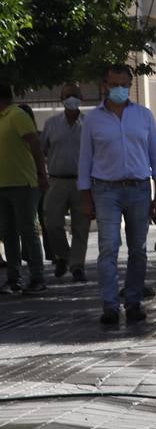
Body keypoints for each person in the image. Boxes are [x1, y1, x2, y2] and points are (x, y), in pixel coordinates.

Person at [79, 63, 156, 325]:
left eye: (124, 85)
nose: (119, 89)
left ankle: (133, 301)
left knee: (138, 250)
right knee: (108, 248)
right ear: (104, 85)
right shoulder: (93, 119)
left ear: (130, 86)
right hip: (105, 190)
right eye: (113, 84)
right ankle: (110, 305)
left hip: (139, 188)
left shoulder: (143, 115)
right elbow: (85, 159)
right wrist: (86, 197)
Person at [0, 83, 50, 294]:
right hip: (2, 186)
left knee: (28, 231)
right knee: (8, 233)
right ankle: (14, 279)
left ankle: (37, 278)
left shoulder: (17, 115)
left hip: (24, 184)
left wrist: (41, 174)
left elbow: (35, 144)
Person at [40, 83, 90, 281]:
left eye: (75, 95)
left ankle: (77, 266)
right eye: (68, 95)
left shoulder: (88, 124)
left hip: (82, 182)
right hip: (57, 180)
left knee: (81, 226)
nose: (71, 99)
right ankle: (64, 256)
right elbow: (43, 149)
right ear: (61, 99)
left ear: (81, 99)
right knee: (52, 224)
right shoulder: (51, 123)